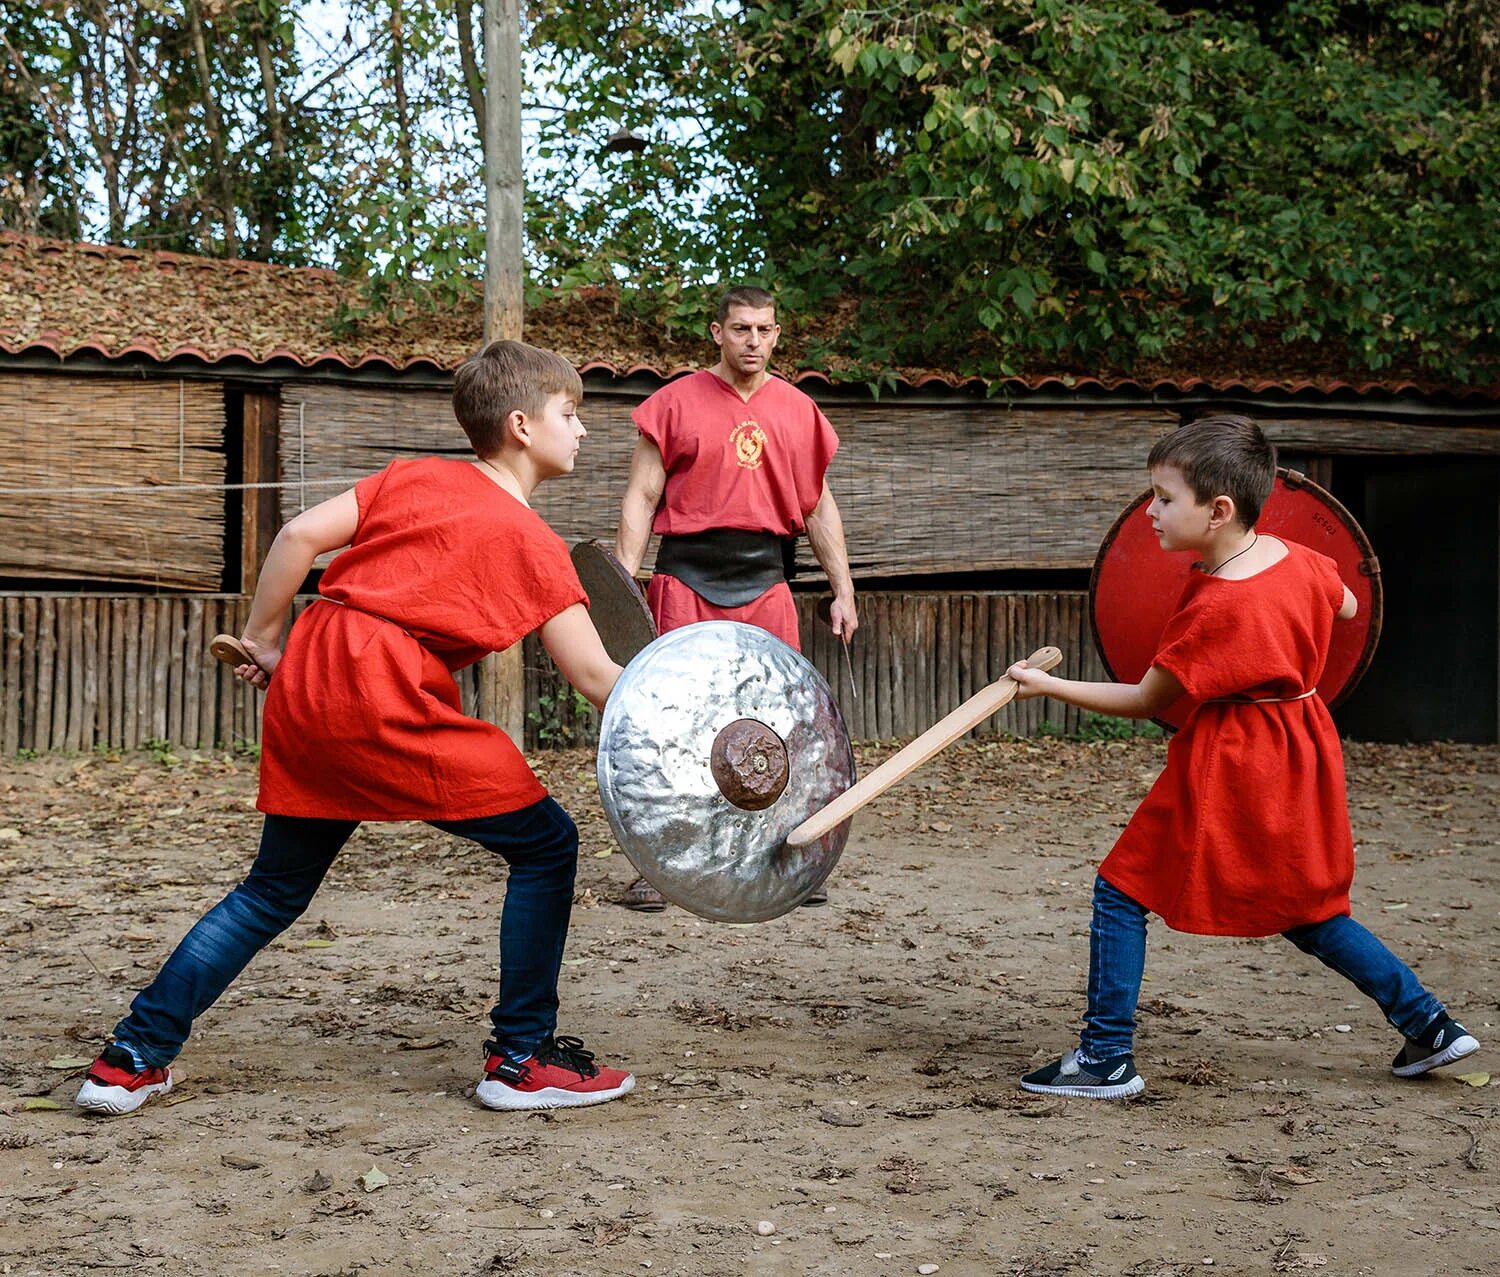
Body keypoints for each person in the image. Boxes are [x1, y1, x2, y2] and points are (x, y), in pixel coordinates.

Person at [75, 340, 636, 1116]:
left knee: (271, 890)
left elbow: (298, 537)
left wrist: (267, 639)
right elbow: (596, 677)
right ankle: (520, 1057)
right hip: (384, 688)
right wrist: (689, 722)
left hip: (313, 666)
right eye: (570, 414)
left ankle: (129, 1058)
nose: (582, 430)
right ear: (521, 425)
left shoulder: (412, 477)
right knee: (547, 843)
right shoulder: (536, 545)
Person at [1005, 414, 1479, 1099]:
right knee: (1309, 906)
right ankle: (1429, 1024)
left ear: (1218, 509)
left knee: (1123, 887)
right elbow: (1348, 605)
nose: (1150, 513)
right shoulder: (1301, 559)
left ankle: (1105, 1055)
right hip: (1302, 747)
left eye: (1166, 498)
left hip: (1232, 761)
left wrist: (1046, 685)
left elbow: (1146, 699)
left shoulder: (1217, 608)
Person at [613, 285, 859, 911]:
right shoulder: (673, 405)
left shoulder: (799, 411)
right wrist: (623, 583)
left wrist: (843, 590)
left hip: (766, 580)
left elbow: (816, 506)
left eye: (766, 330)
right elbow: (642, 497)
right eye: (742, 329)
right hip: (686, 577)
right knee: (671, 722)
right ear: (717, 332)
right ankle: (658, 864)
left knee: (783, 722)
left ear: (778, 335)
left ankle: (791, 859)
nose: (754, 341)